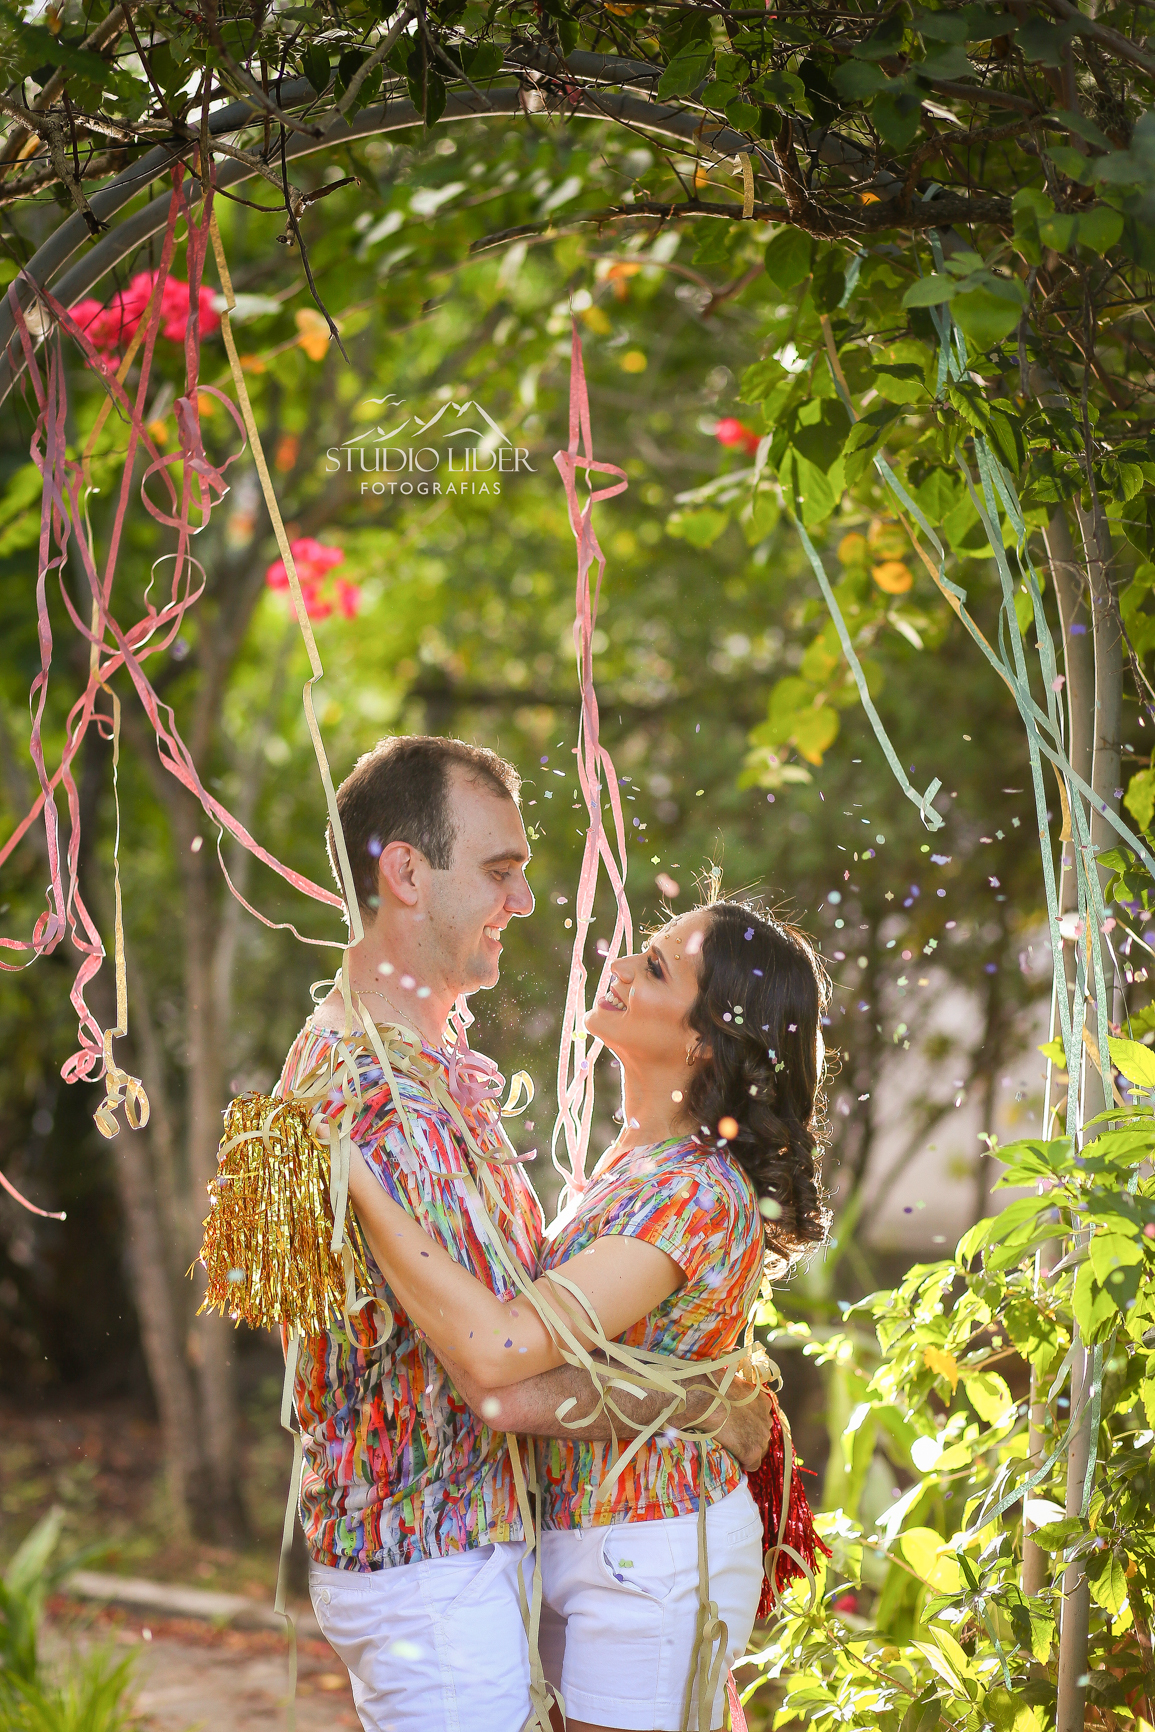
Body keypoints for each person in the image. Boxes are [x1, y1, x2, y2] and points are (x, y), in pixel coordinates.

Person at [277, 735, 774, 1732]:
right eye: (500, 870)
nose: (525, 899)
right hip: (430, 1565)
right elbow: (494, 1366)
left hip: (480, 1551)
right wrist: (698, 1402)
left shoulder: (431, 1066)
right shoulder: (372, 1097)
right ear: (405, 873)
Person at [346, 888, 831, 1732]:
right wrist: (701, 1400)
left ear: (702, 1038)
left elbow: (500, 1365)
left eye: (655, 969)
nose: (620, 966)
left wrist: (358, 1183)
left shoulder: (688, 1193)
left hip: (650, 1544)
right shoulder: (636, 1163)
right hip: (594, 1540)